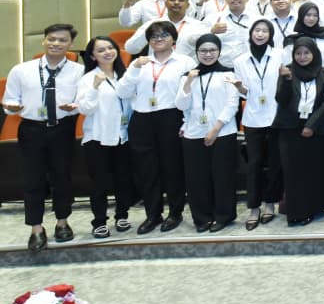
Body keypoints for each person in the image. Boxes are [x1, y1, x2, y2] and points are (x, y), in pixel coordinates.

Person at [4, 24, 85, 250]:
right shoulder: (21, 70)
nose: (56, 44)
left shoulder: (79, 71)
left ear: (70, 44)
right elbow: (10, 103)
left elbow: (85, 101)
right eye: (51, 39)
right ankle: (36, 229)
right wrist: (12, 107)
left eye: (62, 40)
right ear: (43, 41)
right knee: (33, 179)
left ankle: (62, 222)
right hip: (31, 129)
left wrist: (75, 107)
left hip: (63, 127)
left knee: (62, 177)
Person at [117, 21, 197, 234]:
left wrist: (186, 122)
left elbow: (191, 95)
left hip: (171, 117)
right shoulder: (139, 63)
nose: (158, 39)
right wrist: (134, 69)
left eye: (164, 35)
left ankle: (175, 213)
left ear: (174, 39)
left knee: (172, 168)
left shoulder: (185, 61)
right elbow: (123, 92)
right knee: (146, 170)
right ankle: (153, 214)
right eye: (153, 36)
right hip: (142, 119)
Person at [176, 34, 239, 233]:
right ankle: (201, 218)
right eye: (203, 51)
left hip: (223, 132)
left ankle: (223, 216)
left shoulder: (228, 73)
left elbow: (232, 105)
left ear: (219, 52)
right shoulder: (188, 76)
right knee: (196, 179)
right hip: (194, 133)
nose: (208, 54)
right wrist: (188, 83)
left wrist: (215, 129)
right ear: (197, 53)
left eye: (212, 50)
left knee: (223, 177)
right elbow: (181, 105)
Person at [76, 36, 134, 239]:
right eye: (101, 50)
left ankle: (122, 215)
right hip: (98, 137)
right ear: (92, 56)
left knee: (123, 180)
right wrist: (94, 87)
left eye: (110, 47)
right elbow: (85, 108)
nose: (107, 52)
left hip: (122, 136)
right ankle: (99, 221)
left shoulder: (124, 75)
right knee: (99, 183)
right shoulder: (87, 78)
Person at [274, 37, 324, 226]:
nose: (302, 57)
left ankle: (315, 207)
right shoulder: (288, 71)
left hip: (315, 129)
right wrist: (286, 80)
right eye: (298, 53)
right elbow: (281, 100)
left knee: (314, 170)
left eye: (306, 53)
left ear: (314, 53)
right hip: (290, 129)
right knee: (293, 172)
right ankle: (297, 212)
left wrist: (311, 125)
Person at [233, 19, 282, 230]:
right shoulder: (241, 60)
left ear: (270, 35)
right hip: (253, 117)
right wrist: (239, 88)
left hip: (275, 116)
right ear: (251, 33)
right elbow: (243, 92)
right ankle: (253, 207)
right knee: (254, 163)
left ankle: (270, 204)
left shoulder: (279, 55)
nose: (260, 34)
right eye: (257, 30)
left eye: (264, 31)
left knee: (273, 163)